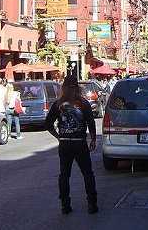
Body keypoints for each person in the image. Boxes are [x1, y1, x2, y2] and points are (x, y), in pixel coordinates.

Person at [44, 75, 98, 215]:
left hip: (65, 144)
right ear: (78, 88)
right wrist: (93, 139)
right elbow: (91, 123)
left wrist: (58, 137)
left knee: (64, 175)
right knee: (87, 173)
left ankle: (65, 205)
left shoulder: (58, 104)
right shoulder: (84, 103)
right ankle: (92, 204)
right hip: (80, 143)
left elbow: (48, 124)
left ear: (63, 88)